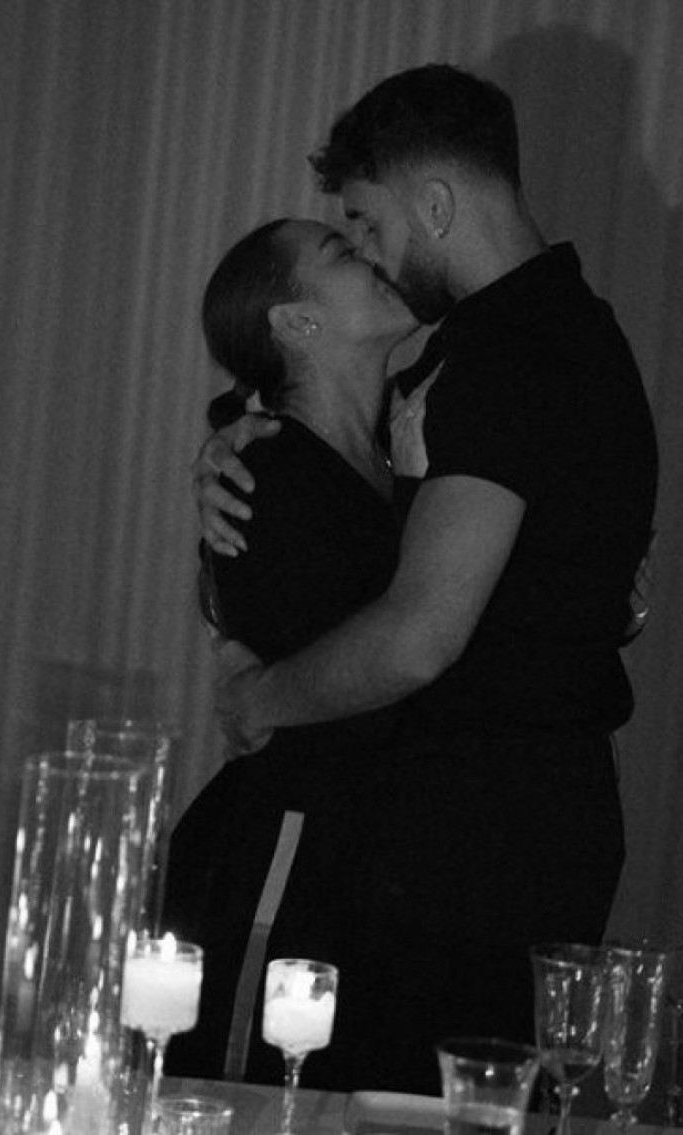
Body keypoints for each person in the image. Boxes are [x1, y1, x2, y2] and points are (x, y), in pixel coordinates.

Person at [191, 64, 659, 1093]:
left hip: (480, 845)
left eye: (366, 222)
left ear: (436, 205)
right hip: (487, 831)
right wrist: (235, 444)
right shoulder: (548, 340)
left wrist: (253, 696)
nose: (368, 249)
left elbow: (415, 637)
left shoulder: (505, 360)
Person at [162, 216, 429, 1091]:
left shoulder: (408, 452)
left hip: (378, 870)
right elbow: (376, 679)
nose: (375, 255)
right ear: (296, 322)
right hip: (292, 856)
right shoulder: (263, 477)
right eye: (343, 255)